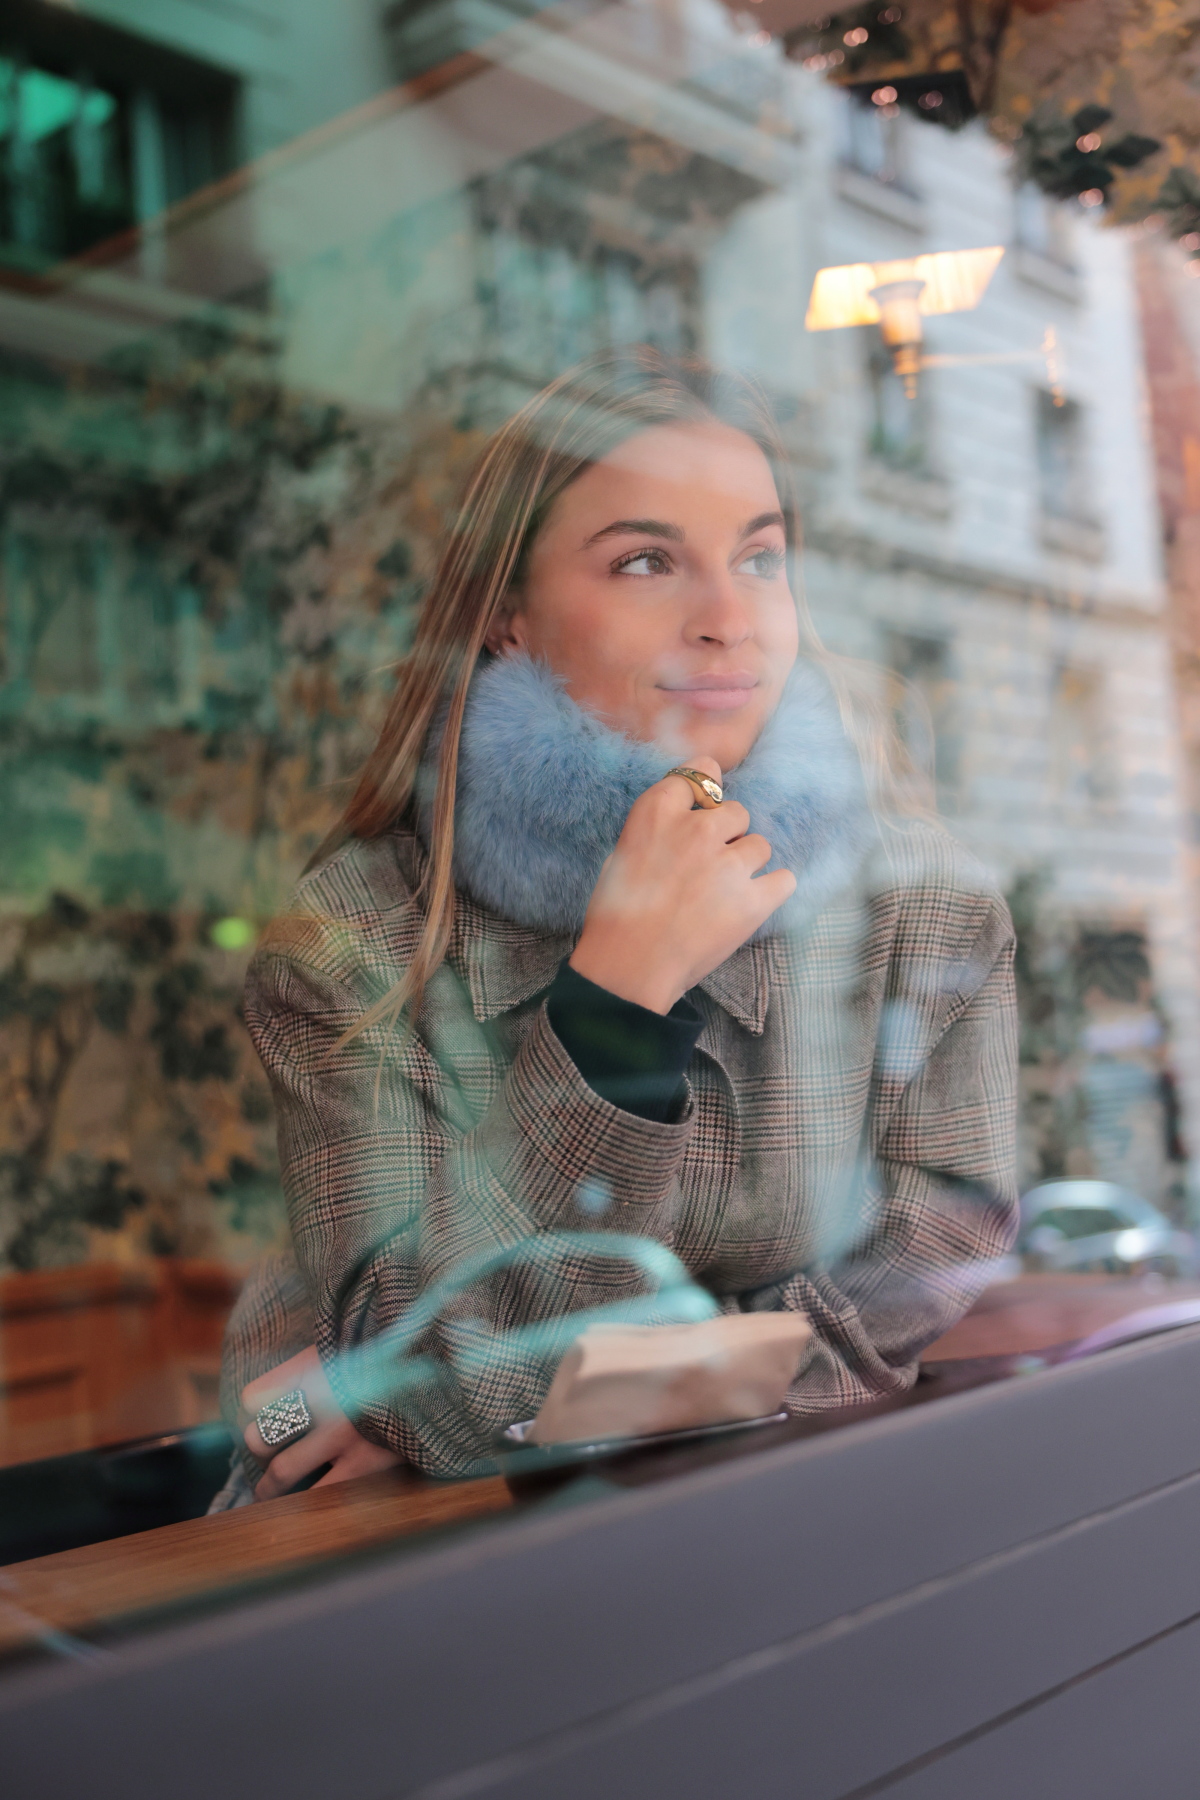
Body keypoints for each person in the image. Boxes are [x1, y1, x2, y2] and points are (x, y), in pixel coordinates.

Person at [213, 346, 1018, 1506]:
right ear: (507, 617)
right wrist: (614, 1008)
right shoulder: (359, 938)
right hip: (420, 1579)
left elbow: (926, 1270)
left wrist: (427, 1391)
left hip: (788, 1525)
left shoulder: (925, 906)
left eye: (760, 556)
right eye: (647, 560)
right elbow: (369, 1396)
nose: (727, 618)